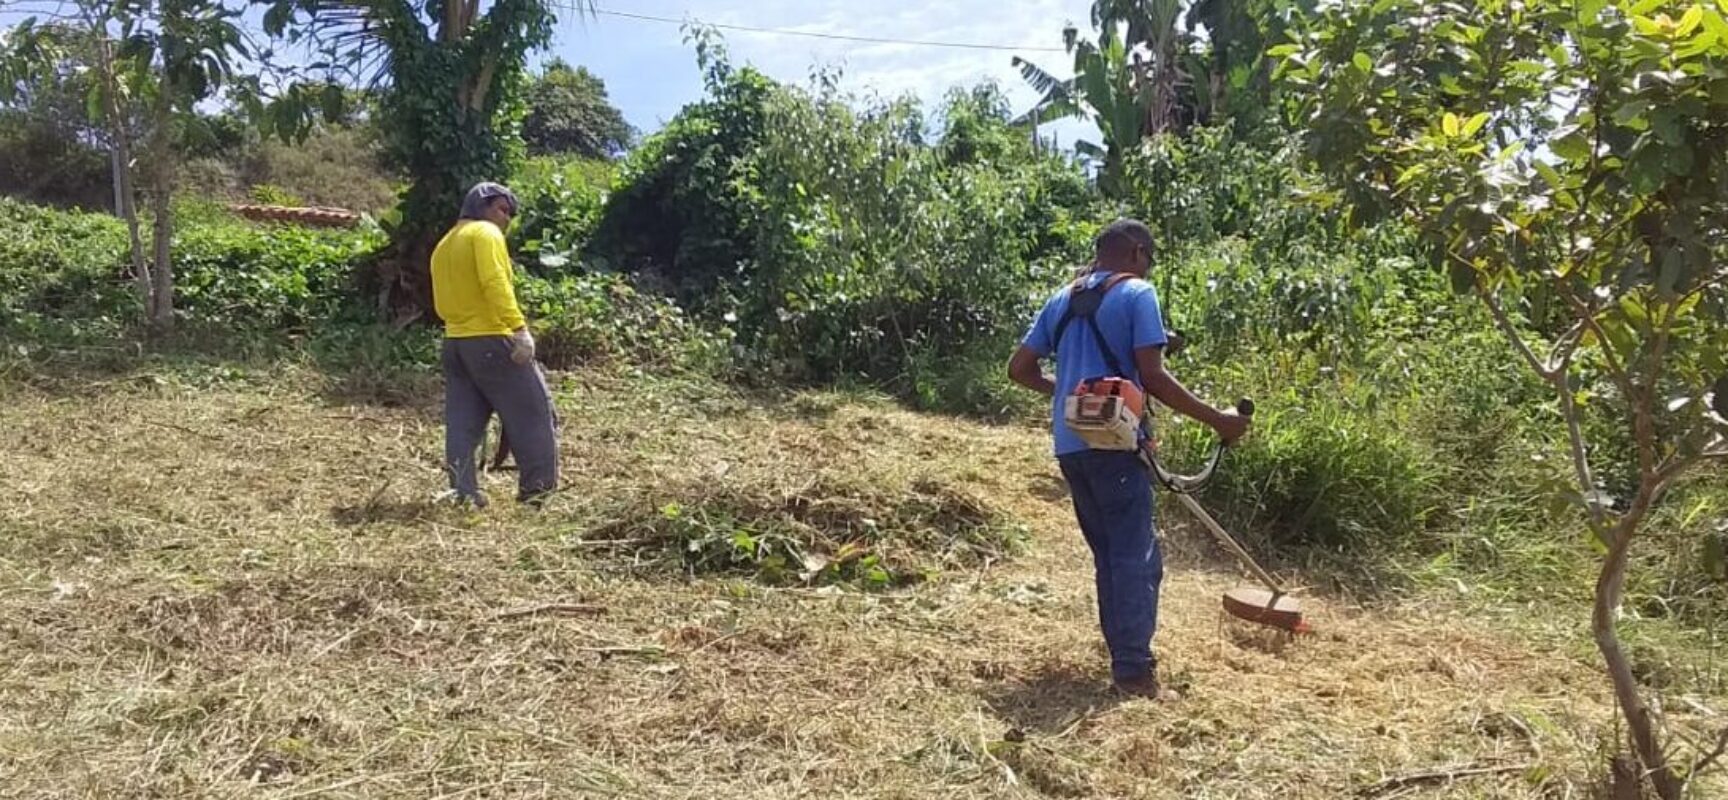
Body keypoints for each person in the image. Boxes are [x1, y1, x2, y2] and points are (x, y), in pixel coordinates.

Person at [1007, 219, 1248, 699]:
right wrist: (1219, 420)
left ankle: (1124, 654)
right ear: (1137, 253)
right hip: (1115, 447)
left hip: (1071, 444)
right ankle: (1133, 671)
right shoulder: (1138, 293)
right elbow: (1153, 376)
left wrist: (1075, 396)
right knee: (1135, 555)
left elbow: (1020, 369)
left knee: (1109, 555)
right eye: (1149, 258)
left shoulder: (1062, 298)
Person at [430, 182, 559, 507]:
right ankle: (537, 494)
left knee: (463, 423)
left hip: (455, 344)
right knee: (532, 412)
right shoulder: (485, 234)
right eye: (502, 209)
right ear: (480, 206)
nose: (507, 220)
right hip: (491, 338)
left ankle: (464, 493)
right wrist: (518, 328)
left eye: (511, 214)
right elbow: (494, 282)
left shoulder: (444, 245)